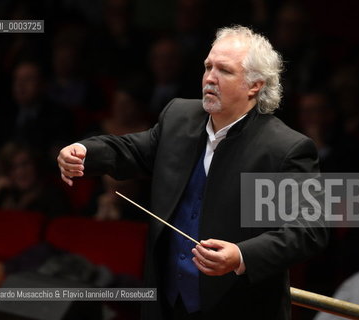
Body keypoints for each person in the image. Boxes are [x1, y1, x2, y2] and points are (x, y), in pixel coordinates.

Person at [58, 25, 328, 320]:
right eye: (207, 67)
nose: (210, 78)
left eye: (224, 71)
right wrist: (86, 151)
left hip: (238, 308)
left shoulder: (284, 148)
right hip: (167, 303)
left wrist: (241, 255)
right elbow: (133, 150)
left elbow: (308, 229)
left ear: (255, 85)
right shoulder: (178, 116)